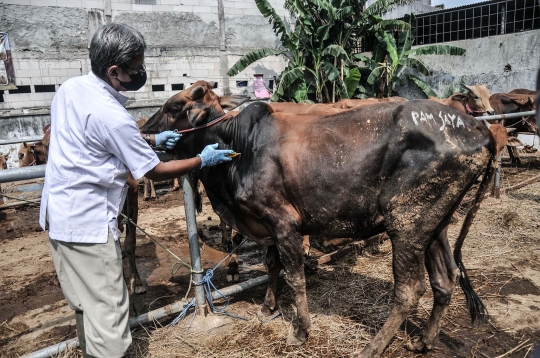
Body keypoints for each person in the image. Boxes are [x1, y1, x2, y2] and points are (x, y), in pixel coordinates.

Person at [39, 23, 234, 358]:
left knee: (87, 310)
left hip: (58, 218)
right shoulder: (113, 115)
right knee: (111, 322)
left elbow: (94, 138)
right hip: (88, 228)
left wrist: (151, 139)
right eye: (136, 69)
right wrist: (201, 159)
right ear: (114, 70)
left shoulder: (70, 89)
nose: (141, 73)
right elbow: (153, 171)